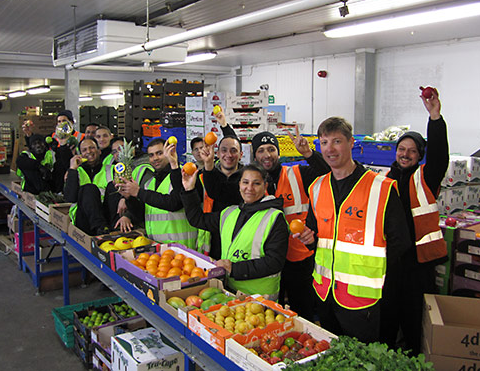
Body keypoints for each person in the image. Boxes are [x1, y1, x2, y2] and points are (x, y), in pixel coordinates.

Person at [306, 117, 410, 344]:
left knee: (362, 359)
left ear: (352, 142)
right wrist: (308, 238)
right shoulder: (317, 187)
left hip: (363, 299)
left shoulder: (380, 188)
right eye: (323, 142)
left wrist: (373, 276)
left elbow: (399, 242)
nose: (329, 149)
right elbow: (316, 235)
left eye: (336, 141)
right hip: (325, 294)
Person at [380, 88, 449, 355]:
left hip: (418, 264)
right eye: (401, 149)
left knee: (413, 321)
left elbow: (440, 156)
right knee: (387, 316)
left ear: (420, 156)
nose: (405, 154)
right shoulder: (384, 179)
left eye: (412, 151)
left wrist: (435, 118)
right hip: (390, 262)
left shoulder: (425, 178)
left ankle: (412, 359)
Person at [251, 127, 330, 320]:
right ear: (254, 155)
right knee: (270, 312)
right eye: (261, 150)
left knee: (302, 311)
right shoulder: (252, 182)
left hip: (299, 258)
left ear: (278, 152)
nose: (266, 155)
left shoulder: (297, 174)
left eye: (271, 149)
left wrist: (309, 154)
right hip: (267, 258)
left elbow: (327, 173)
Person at [181, 163, 289, 300]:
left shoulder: (274, 218)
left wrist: (234, 269)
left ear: (265, 186)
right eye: (245, 182)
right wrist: (189, 190)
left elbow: (274, 262)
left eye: (256, 183)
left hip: (260, 298)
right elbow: (197, 219)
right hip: (230, 292)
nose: (249, 188)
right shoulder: (229, 213)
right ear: (239, 185)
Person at [115, 139, 198, 250]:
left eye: (159, 153)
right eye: (151, 155)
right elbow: (141, 216)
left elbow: (174, 203)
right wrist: (129, 198)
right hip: (157, 247)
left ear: (170, 152)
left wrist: (139, 192)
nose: (155, 158)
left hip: (181, 248)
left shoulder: (184, 176)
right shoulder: (150, 183)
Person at [63, 137, 115, 235]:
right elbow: (70, 198)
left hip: (107, 215)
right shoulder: (75, 172)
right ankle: (100, 227)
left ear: (99, 151)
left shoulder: (111, 169)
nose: (88, 152)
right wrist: (72, 170)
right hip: (84, 219)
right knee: (89, 188)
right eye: (84, 150)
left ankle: (110, 228)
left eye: (92, 148)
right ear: (80, 154)